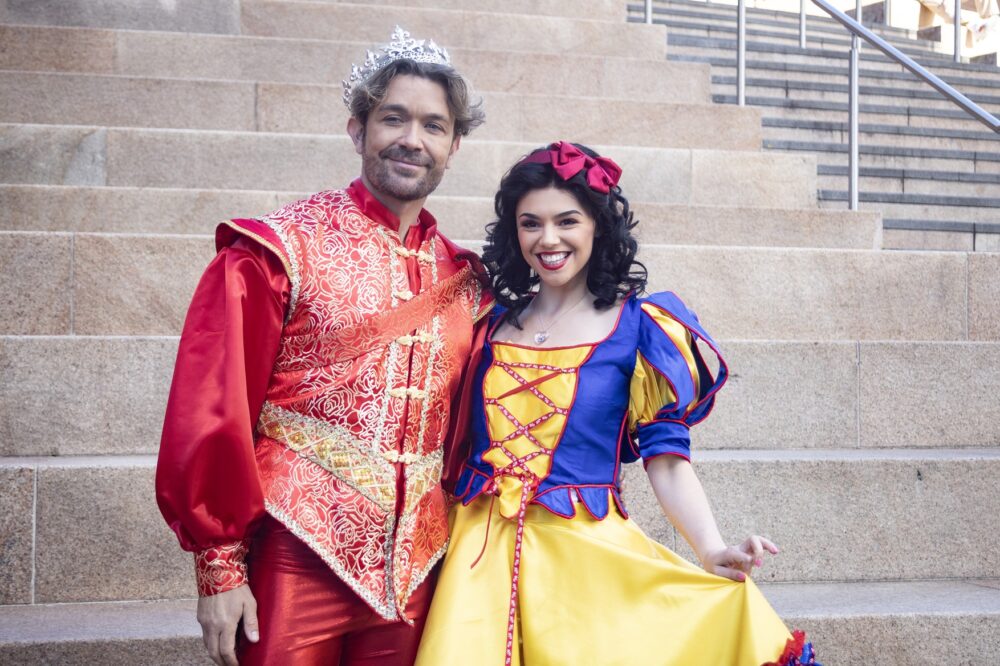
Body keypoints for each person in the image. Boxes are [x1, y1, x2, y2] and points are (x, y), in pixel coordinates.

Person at [155, 26, 492, 665]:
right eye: (393, 118)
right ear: (357, 129)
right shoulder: (277, 251)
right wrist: (220, 568)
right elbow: (212, 408)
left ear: (453, 145)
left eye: (433, 126)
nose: (411, 140)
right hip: (294, 556)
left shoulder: (465, 279)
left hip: (418, 573)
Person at [415, 141, 820, 666]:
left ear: (598, 227)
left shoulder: (639, 329)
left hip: (586, 570)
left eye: (567, 221)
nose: (549, 238)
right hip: (475, 563)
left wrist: (711, 549)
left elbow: (668, 462)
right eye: (530, 223)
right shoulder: (484, 324)